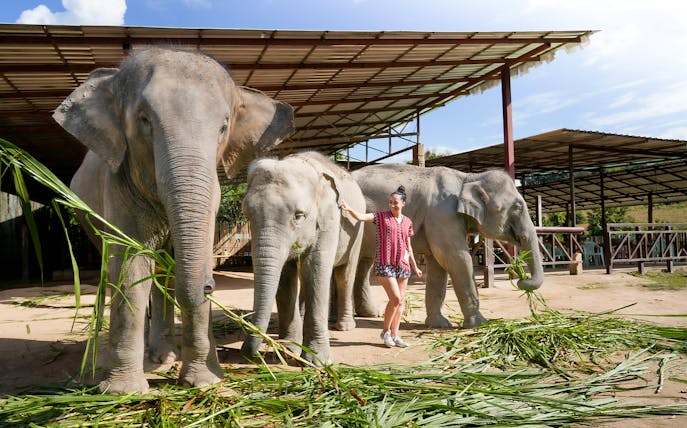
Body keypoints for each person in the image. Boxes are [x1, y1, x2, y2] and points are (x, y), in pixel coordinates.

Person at [340, 185, 422, 348]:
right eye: (390, 202)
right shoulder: (380, 217)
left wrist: (415, 266)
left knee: (400, 302)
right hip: (384, 264)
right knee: (396, 298)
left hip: (403, 265)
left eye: (395, 202)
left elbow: (408, 246)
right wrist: (349, 209)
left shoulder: (407, 222)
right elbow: (362, 217)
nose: (392, 205)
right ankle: (385, 332)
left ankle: (395, 335)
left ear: (403, 203)